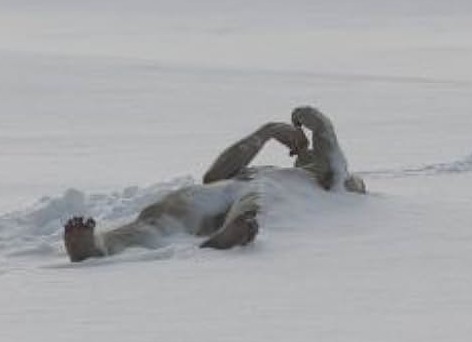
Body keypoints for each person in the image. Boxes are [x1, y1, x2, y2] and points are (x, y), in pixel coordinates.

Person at [63, 106, 366, 262]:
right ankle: (100, 247)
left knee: (255, 198)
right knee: (166, 210)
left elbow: (330, 155)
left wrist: (314, 120)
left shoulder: (329, 182)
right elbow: (215, 174)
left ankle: (229, 234)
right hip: (222, 191)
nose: (307, 154)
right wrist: (268, 131)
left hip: (260, 194)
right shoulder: (272, 170)